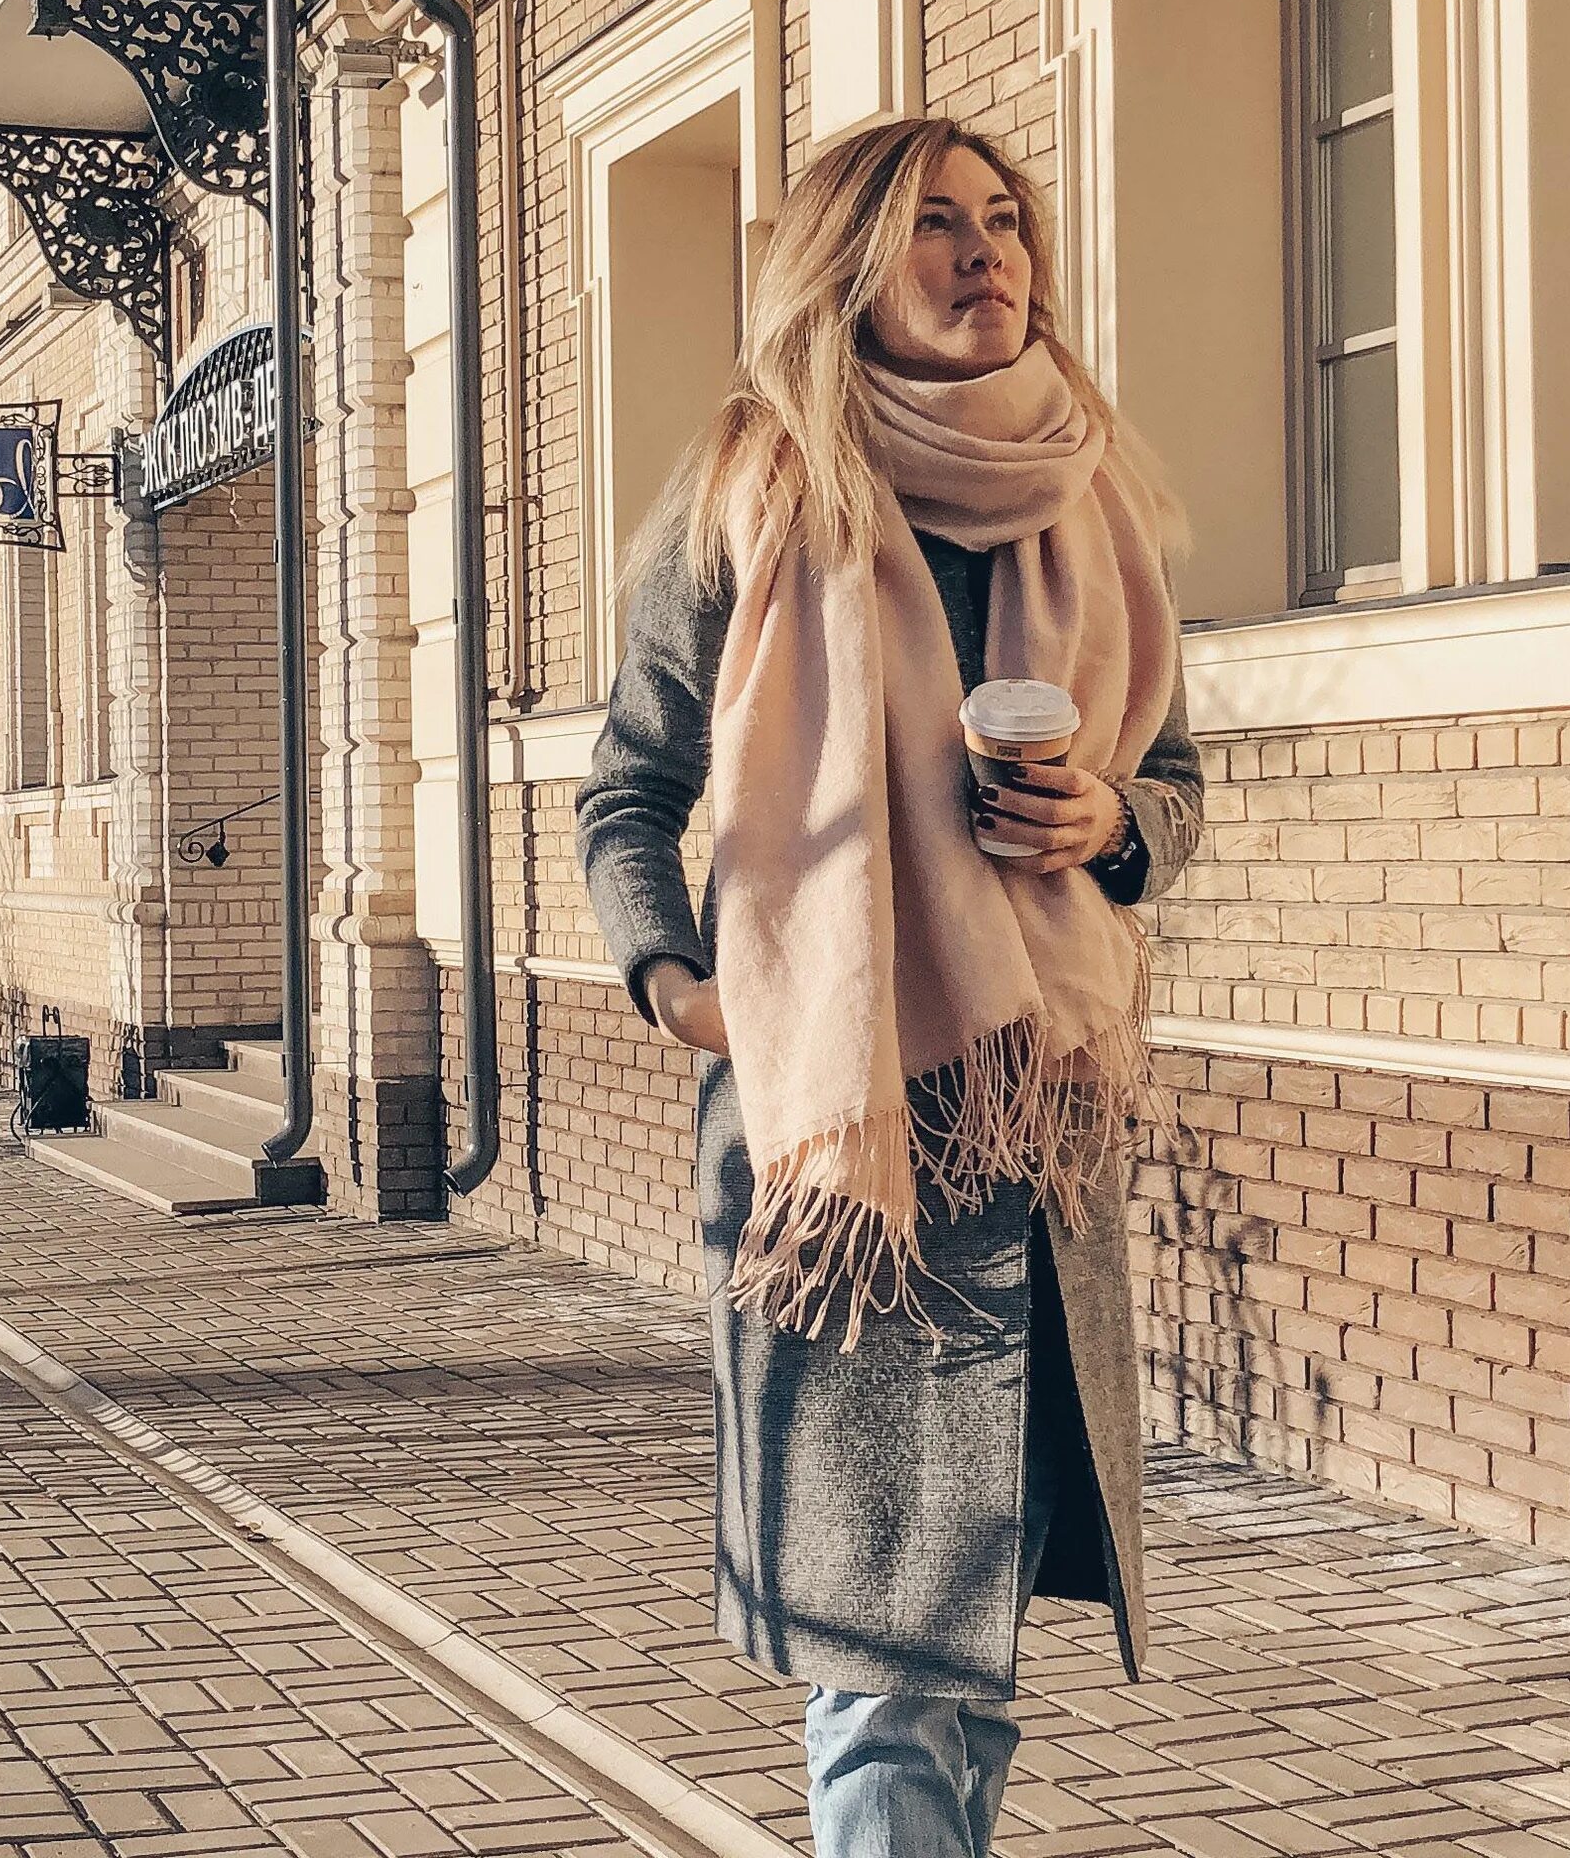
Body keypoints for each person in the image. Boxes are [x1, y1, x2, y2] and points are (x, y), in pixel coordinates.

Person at [576, 115, 1206, 1858]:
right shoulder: (749, 494)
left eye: (1005, 219)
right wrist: (685, 986)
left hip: (1029, 1140)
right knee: (882, 1664)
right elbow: (626, 786)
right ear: (852, 263)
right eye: (936, 223)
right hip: (837, 1151)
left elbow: (1179, 797)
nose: (986, 250)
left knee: (976, 1655)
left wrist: (1109, 815)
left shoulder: (1095, 503)